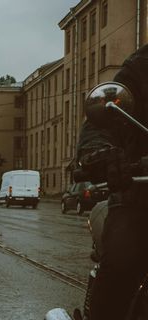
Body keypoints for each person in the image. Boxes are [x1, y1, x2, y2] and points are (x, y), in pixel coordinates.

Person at [76, 44, 148, 320]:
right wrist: (100, 154)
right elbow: (102, 122)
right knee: (122, 261)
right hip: (139, 194)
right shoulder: (141, 68)